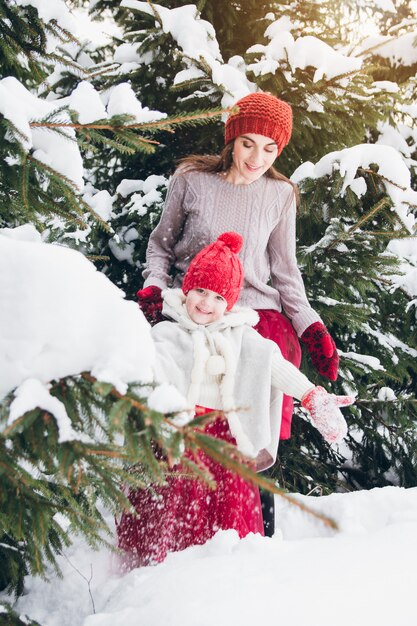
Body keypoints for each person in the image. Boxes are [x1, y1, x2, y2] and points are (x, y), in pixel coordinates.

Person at [137, 91, 339, 536]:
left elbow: (285, 271)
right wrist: (154, 286)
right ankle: (167, 529)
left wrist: (310, 326)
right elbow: (161, 246)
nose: (257, 158)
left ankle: (254, 535)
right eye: (249, 143)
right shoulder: (191, 180)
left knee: (252, 431)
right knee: (179, 415)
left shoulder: (280, 193)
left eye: (271, 149)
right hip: (197, 310)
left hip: (256, 318)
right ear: (232, 139)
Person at [117, 233, 354, 567]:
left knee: (225, 521)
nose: (206, 303)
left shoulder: (242, 337)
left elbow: (273, 365)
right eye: (200, 291)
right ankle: (158, 574)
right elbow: (147, 372)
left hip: (225, 444)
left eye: (217, 297)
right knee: (172, 513)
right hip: (179, 441)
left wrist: (311, 395)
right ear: (186, 290)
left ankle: (223, 579)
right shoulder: (166, 333)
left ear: (228, 302)